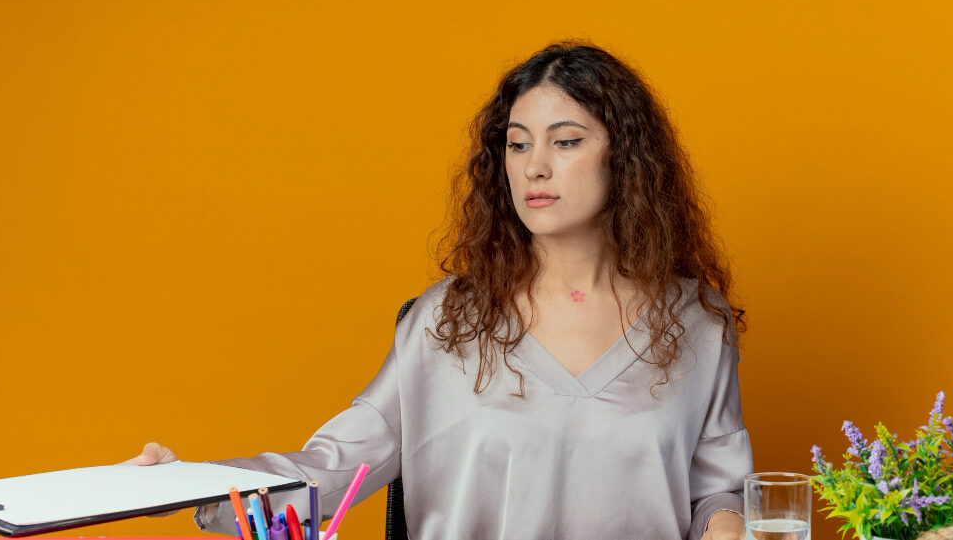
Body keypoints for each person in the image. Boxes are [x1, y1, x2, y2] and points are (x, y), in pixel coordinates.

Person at [123, 40, 753, 540]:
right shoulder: (445, 320)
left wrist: (727, 523)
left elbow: (716, 492)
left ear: (627, 160)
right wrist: (186, 486)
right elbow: (330, 467)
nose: (535, 166)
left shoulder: (697, 322)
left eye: (566, 142)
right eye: (517, 144)